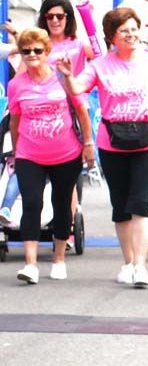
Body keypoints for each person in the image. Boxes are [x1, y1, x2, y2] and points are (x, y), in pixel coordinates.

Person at [58, 7, 148, 288]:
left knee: (141, 203)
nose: (131, 35)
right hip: (113, 141)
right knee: (120, 206)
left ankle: (141, 267)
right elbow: (77, 89)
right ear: (112, 36)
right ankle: (129, 262)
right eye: (124, 30)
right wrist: (68, 75)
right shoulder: (100, 65)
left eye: (135, 29)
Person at [8, 28, 95, 283]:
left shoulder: (63, 78)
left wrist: (88, 143)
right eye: (26, 51)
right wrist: (16, 153)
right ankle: (31, 264)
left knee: (61, 204)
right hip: (29, 154)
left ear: (47, 52)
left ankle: (58, 258)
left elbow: (81, 112)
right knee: (32, 203)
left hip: (66, 153)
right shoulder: (16, 85)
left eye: (37, 50)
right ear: (21, 54)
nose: (32, 55)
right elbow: (15, 122)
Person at [37, 0, 93, 75]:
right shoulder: (36, 46)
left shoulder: (79, 45)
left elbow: (100, 55)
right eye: (50, 16)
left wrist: (90, 20)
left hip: (73, 86)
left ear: (67, 19)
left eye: (60, 16)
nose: (55, 20)